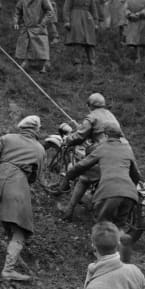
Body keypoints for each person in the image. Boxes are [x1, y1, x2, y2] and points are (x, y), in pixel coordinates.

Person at [0, 115, 46, 282]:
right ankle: (9, 270)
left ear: (21, 127)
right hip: (17, 181)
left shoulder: (6, 138)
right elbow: (35, 177)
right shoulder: (39, 149)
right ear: (37, 130)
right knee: (22, 229)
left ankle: (11, 252)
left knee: (8, 220)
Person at [60, 123, 141, 261]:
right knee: (120, 225)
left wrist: (68, 176)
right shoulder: (127, 149)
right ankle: (124, 257)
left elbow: (83, 165)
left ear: (105, 135)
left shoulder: (102, 147)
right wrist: (129, 188)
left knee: (101, 224)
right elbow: (136, 174)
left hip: (109, 191)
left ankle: (98, 256)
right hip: (130, 193)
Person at [59, 93, 124, 221]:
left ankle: (69, 211)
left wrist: (68, 139)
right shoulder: (111, 116)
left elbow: (79, 137)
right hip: (121, 151)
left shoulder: (92, 116)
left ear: (89, 105)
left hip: (104, 152)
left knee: (84, 179)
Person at [13, 0, 54, 73]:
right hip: (27, 26)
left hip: (38, 27)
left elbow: (50, 11)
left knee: (41, 46)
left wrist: (43, 24)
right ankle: (27, 63)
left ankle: (45, 65)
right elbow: (17, 11)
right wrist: (16, 21)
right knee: (26, 46)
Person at [63, 0, 100, 65]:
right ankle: (77, 63)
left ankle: (92, 62)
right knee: (77, 41)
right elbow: (66, 8)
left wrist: (95, 22)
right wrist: (67, 21)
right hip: (75, 18)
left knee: (90, 42)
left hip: (87, 19)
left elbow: (94, 9)